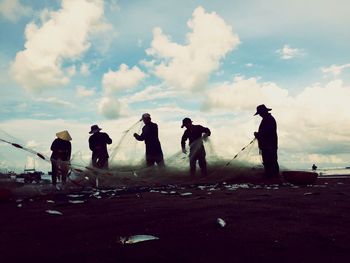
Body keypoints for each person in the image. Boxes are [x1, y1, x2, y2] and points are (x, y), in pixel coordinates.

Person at [254, 104, 279, 177]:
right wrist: (258, 134)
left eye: (260, 113)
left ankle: (273, 177)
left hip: (269, 145)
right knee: (269, 162)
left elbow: (266, 133)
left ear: (264, 112)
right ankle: (272, 177)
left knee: (270, 162)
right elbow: (265, 132)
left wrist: (258, 134)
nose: (260, 115)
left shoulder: (268, 119)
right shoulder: (267, 119)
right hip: (268, 145)